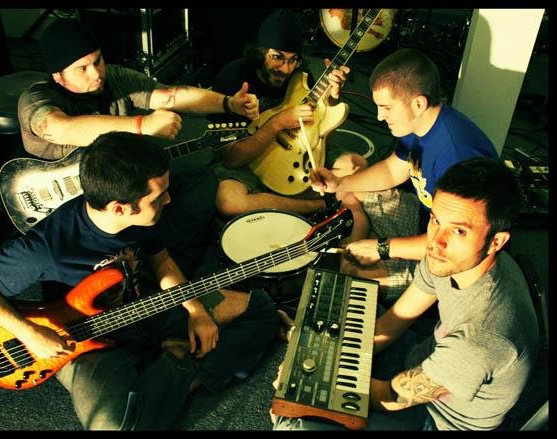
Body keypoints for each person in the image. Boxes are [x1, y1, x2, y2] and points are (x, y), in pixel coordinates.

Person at [0, 131, 280, 430]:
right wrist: (29, 332)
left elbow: (162, 261)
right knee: (117, 426)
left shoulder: (143, 219)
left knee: (262, 311)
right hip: (82, 338)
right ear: (119, 208)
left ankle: (162, 377)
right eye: (158, 197)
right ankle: (176, 357)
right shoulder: (46, 248)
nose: (168, 200)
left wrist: (195, 310)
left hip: (140, 306)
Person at [273, 157, 539, 430]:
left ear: (496, 241)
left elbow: (388, 397)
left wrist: (308, 375)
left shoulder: (481, 339)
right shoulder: (452, 260)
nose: (435, 242)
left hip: (435, 419)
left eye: (459, 231)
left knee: (294, 422)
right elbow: (393, 322)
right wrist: (319, 345)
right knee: (339, 307)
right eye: (436, 220)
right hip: (420, 358)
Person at [16, 18, 259, 281]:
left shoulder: (113, 78)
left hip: (117, 186)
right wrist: (142, 125)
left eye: (97, 61)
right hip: (66, 204)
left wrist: (227, 103)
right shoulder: (35, 99)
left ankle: (177, 263)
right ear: (57, 76)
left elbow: (171, 95)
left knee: (197, 177)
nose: (96, 73)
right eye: (82, 68)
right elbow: (61, 128)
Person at [311, 48, 498, 306]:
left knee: (355, 276)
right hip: (424, 219)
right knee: (348, 179)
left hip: (450, 253)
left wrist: (382, 248)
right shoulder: (418, 124)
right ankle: (362, 228)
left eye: (386, 107)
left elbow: (453, 242)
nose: (379, 116)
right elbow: (392, 170)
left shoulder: (457, 154)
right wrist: (339, 183)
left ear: (418, 103)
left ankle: (366, 241)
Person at [210, 9, 352, 218]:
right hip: (247, 160)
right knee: (229, 202)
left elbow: (323, 136)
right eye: (277, 57)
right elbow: (232, 159)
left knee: (355, 166)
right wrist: (277, 123)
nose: (286, 69)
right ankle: (317, 205)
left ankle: (271, 201)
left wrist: (331, 98)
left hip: (297, 152)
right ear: (259, 52)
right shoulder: (231, 78)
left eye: (293, 59)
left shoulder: (300, 76)